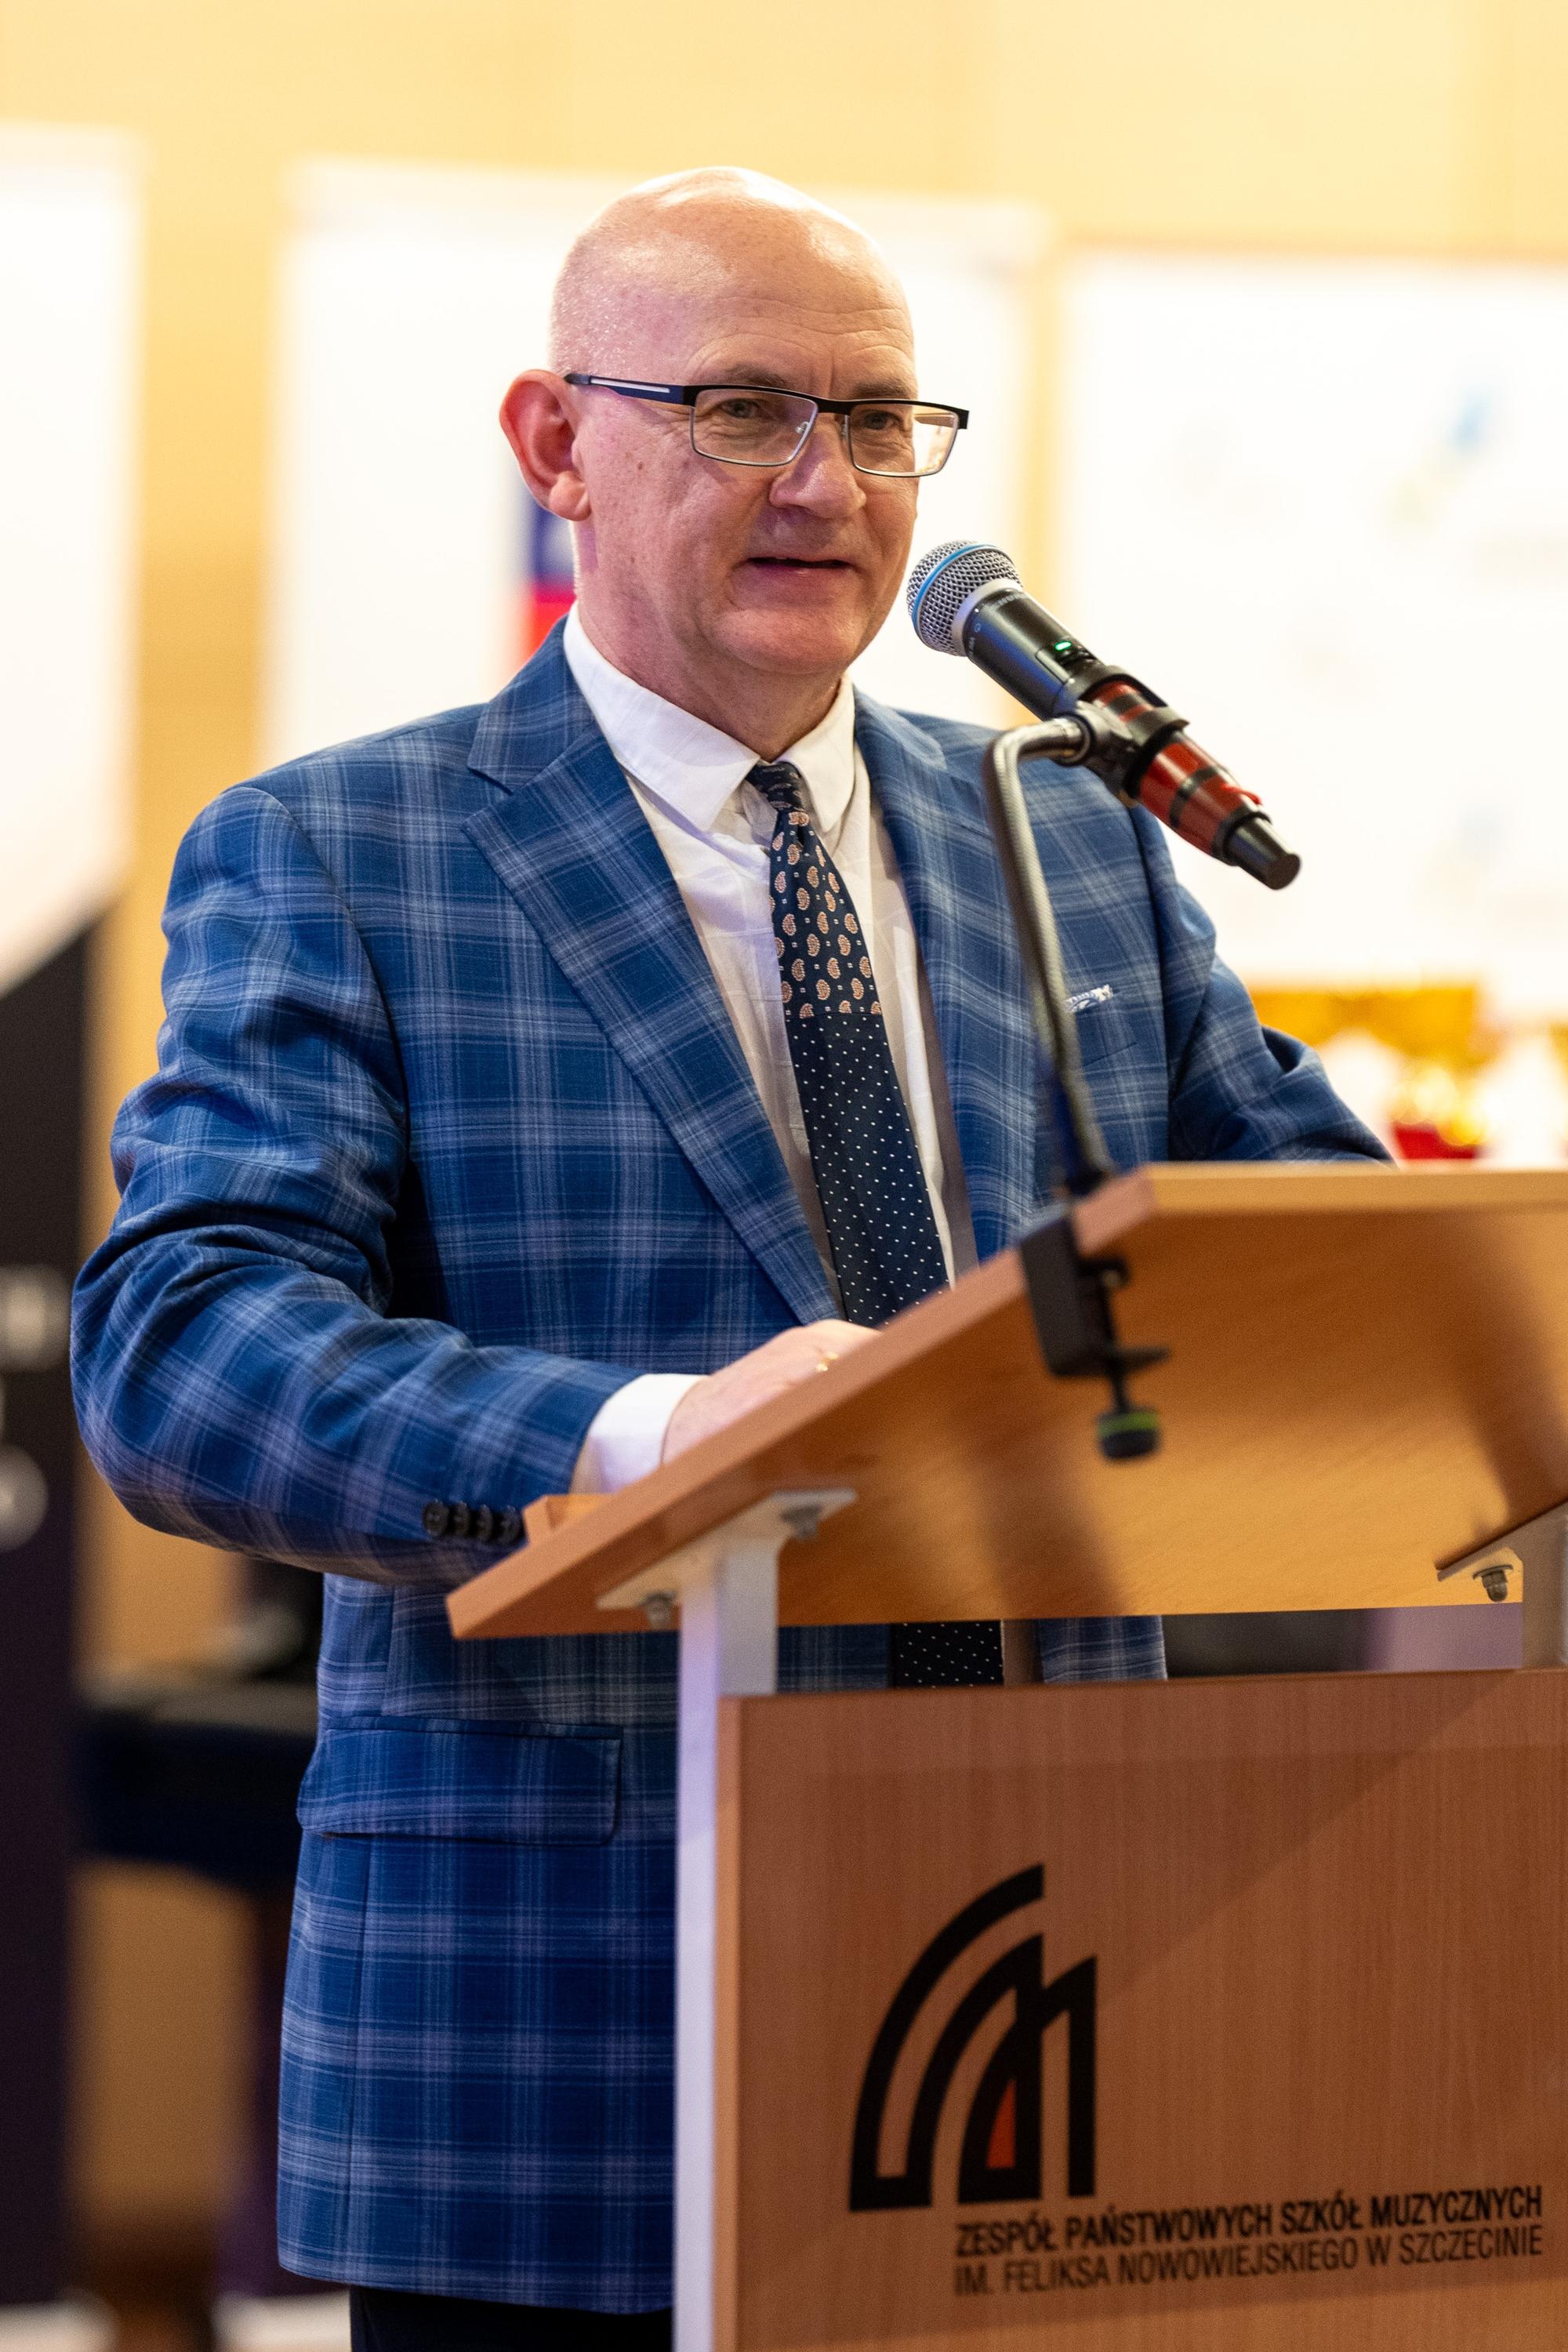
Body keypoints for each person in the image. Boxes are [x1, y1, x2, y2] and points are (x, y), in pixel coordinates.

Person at [71, 167, 1385, 2350]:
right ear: (555, 443)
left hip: (1055, 1971)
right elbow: (185, 1355)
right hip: (577, 2004)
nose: (827, 483)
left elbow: (1320, 1266)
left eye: (876, 421)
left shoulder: (1069, 836)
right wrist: (660, 1439)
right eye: (742, 409)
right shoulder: (343, 849)